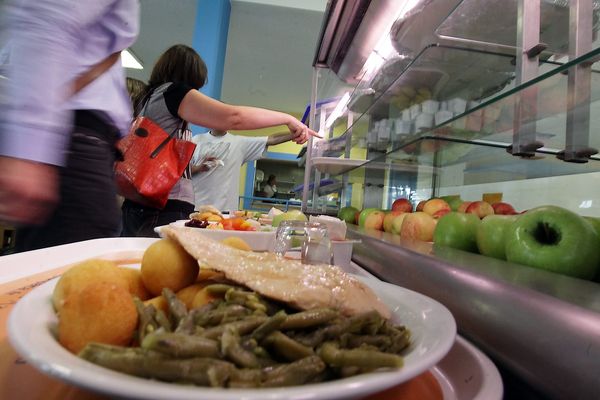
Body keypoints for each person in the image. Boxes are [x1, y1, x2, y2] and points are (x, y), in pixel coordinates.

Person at [121, 44, 318, 237]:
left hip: (139, 204)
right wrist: (287, 118)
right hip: (161, 206)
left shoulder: (149, 98)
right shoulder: (172, 93)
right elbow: (235, 117)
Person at [0, 0, 139, 251]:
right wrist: (31, 149)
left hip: (78, 142)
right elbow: (48, 17)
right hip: (69, 141)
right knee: (65, 278)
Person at [191, 131, 299, 211]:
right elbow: (182, 171)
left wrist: (297, 131)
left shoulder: (239, 142)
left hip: (226, 211)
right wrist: (198, 167)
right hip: (197, 208)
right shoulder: (195, 140)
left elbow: (271, 139)